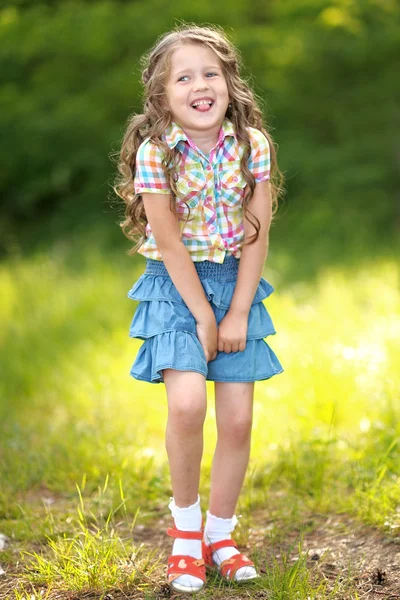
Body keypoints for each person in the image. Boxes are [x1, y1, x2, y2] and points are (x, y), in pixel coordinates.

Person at [114, 24, 284, 594]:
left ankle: (220, 533)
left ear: (230, 84)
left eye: (210, 73)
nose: (199, 85)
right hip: (176, 286)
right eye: (183, 77)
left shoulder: (252, 145)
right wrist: (204, 316)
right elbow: (168, 243)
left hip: (238, 284)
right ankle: (185, 534)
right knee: (188, 406)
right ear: (162, 96)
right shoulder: (155, 152)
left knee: (237, 419)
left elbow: (256, 235)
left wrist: (235, 312)